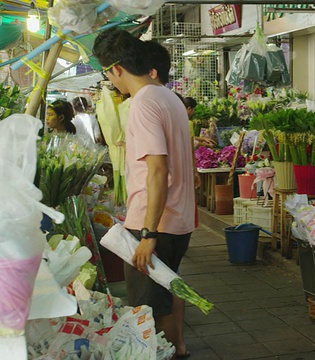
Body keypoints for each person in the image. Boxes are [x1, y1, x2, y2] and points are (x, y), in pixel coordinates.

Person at [93, 28, 195, 359]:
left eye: (107, 74)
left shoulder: (143, 103)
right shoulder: (170, 98)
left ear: (116, 68)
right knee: (170, 285)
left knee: (147, 307)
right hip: (178, 218)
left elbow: (157, 170)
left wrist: (148, 233)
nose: (111, 82)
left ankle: (159, 353)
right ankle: (178, 348)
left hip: (155, 222)